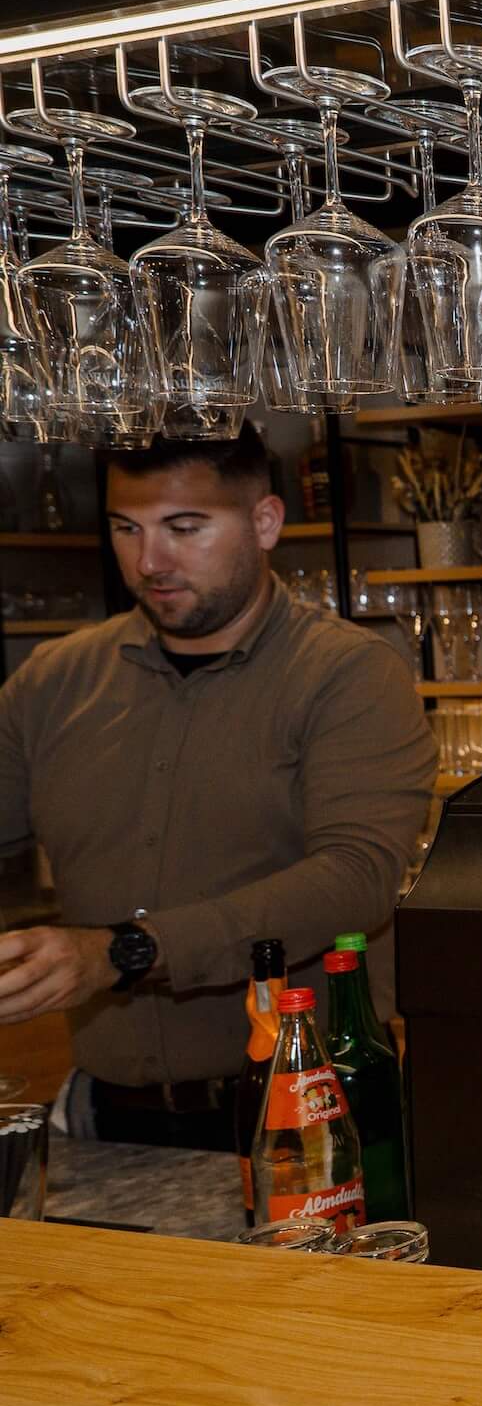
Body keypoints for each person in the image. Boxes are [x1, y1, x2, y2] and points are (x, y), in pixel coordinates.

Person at [0, 427, 437, 1149]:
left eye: (184, 528)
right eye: (126, 528)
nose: (150, 561)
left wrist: (125, 951)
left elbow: (355, 878)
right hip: (105, 1122)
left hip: (307, 1116)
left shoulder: (348, 674)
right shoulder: (54, 681)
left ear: (265, 522)